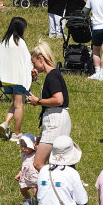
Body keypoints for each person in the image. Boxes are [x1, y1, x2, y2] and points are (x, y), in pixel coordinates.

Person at [29, 41, 70, 173]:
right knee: (57, 161)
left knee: (38, 163)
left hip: (55, 120)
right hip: (57, 119)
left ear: (40, 59)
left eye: (33, 62)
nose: (33, 65)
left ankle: (56, 182)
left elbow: (58, 99)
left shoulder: (52, 76)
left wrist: (38, 101)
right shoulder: (54, 74)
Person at [0, 15, 32, 141]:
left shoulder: (3, 42)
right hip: (18, 79)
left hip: (6, 80)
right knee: (19, 106)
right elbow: (27, 61)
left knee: (15, 103)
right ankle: (16, 134)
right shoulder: (20, 42)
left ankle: (6, 123)